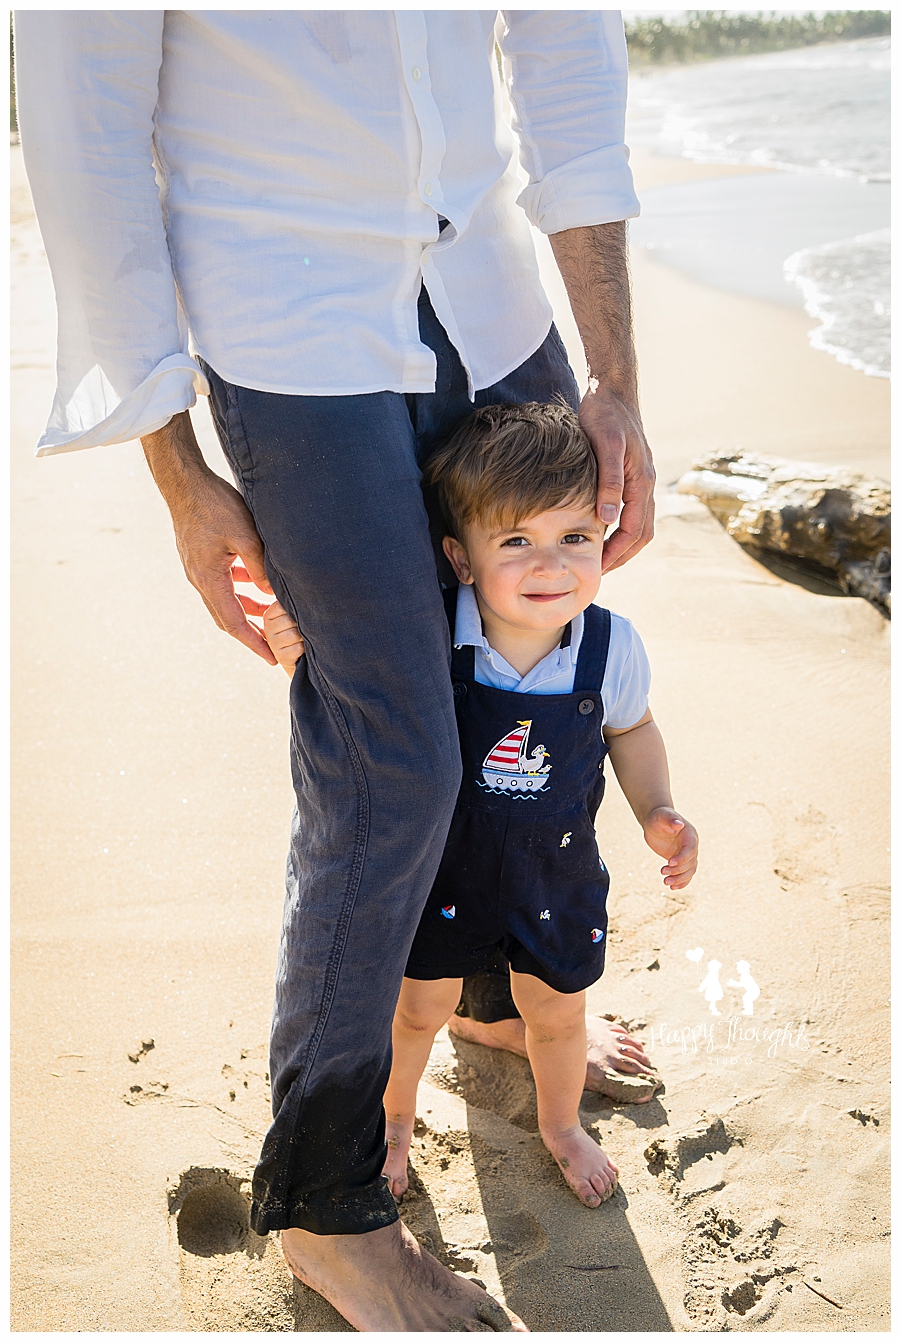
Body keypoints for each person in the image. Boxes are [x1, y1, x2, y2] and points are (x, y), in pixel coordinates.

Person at [15, 10, 656, 1331]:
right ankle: (321, 1200)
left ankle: (483, 995)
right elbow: (84, 135)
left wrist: (612, 374)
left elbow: (565, 49)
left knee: (518, 679)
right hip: (285, 327)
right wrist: (180, 472)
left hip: (487, 291)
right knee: (395, 755)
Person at [264, 402, 698, 1212]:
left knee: (558, 1018)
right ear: (461, 558)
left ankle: (560, 1124)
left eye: (574, 537)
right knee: (418, 1009)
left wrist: (657, 809)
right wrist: (301, 644)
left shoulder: (611, 645)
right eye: (517, 542)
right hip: (445, 870)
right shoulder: (432, 635)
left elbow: (631, 729)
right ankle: (395, 1120)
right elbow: (355, 685)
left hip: (556, 872)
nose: (552, 564)